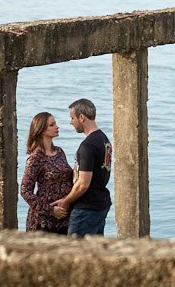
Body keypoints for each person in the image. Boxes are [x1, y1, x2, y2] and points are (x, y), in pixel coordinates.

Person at [50, 98, 113, 237]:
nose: (71, 122)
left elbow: (83, 184)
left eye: (72, 118)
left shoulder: (88, 145)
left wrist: (66, 202)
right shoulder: (104, 139)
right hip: (100, 203)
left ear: (82, 117)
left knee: (74, 252)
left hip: (86, 207)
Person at [20, 111, 74, 235]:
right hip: (43, 220)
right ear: (41, 129)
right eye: (52, 125)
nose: (57, 127)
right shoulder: (35, 157)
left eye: (55, 124)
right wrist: (50, 210)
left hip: (64, 217)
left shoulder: (60, 152)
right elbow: (25, 191)